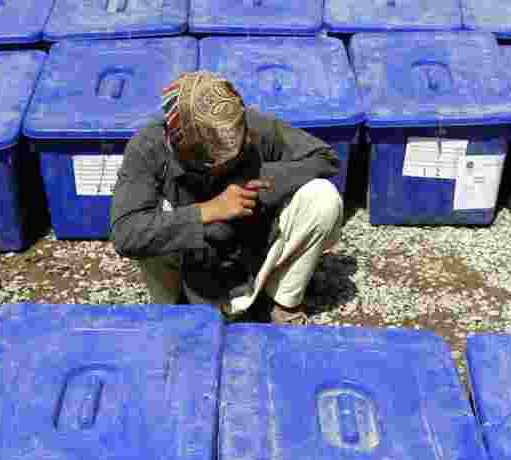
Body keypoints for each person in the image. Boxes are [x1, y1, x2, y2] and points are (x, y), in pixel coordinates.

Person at [110, 72, 343, 324]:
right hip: (188, 268)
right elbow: (125, 234)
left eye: (235, 153)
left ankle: (282, 300)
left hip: (252, 251)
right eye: (214, 162)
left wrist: (261, 179)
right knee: (145, 224)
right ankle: (178, 313)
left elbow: (325, 157)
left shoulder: (252, 125)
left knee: (322, 197)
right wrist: (207, 211)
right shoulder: (148, 148)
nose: (224, 164)